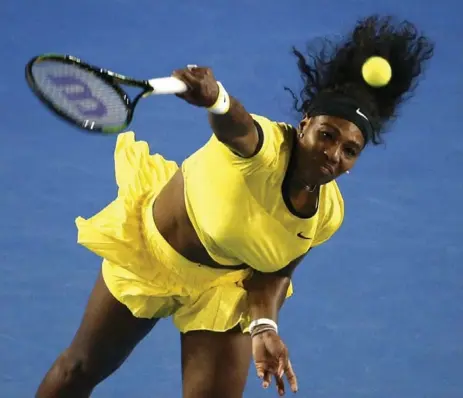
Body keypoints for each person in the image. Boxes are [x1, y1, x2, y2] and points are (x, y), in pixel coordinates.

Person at [36, 14, 434, 398]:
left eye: (350, 151)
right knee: (79, 369)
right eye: (326, 135)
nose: (333, 154)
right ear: (304, 125)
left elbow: (275, 270)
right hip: (151, 255)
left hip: (222, 289)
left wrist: (265, 326)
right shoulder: (262, 149)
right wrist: (218, 99)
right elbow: (236, 124)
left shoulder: (326, 214)